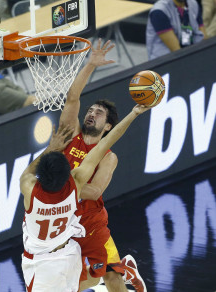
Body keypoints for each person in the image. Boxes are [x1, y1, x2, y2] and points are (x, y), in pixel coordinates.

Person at [20, 104, 150, 292]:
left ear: (40, 176)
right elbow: (104, 145)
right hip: (67, 253)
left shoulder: (29, 188)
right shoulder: (74, 188)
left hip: (42, 261)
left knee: (103, 279)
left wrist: (51, 148)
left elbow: (28, 173)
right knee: (80, 284)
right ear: (68, 174)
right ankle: (123, 271)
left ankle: (117, 271)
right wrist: (134, 113)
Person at [59, 39, 147, 292]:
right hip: (62, 220)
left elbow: (95, 191)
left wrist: (60, 184)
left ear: (108, 127)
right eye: (91, 110)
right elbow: (73, 98)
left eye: (99, 113)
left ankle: (122, 270)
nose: (91, 113)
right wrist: (90, 66)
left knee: (112, 277)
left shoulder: (108, 156)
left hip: (90, 222)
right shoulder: (71, 134)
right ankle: (124, 267)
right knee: (68, 286)